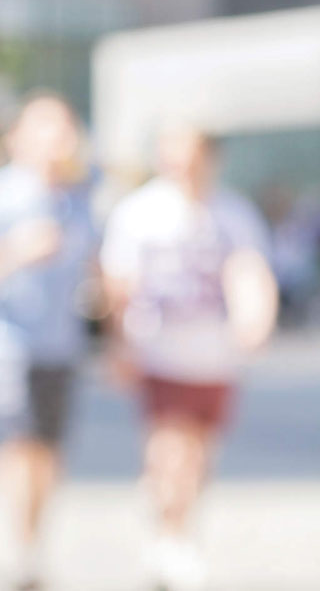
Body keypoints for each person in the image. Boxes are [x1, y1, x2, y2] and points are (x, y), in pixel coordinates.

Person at [100, 125, 277, 591]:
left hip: (215, 355)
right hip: (159, 350)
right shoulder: (139, 212)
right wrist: (118, 344)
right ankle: (173, 540)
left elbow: (251, 271)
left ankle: (171, 517)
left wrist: (255, 318)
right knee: (172, 447)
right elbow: (118, 284)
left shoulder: (233, 213)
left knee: (198, 452)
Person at [0, 94, 95, 590]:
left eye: (64, 129)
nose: (57, 140)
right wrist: (14, 252)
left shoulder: (81, 199)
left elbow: (99, 271)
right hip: (4, 344)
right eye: (45, 129)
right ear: (19, 138)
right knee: (20, 443)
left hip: (62, 346)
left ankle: (33, 540)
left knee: (49, 453)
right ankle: (22, 547)